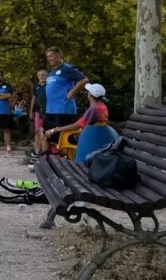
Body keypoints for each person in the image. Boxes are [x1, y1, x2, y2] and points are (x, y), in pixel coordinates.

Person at [41, 83, 110, 230]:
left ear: (90, 95)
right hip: (95, 147)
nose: (86, 94)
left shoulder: (94, 109)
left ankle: (55, 212)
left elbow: (76, 126)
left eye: (88, 93)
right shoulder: (102, 107)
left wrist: (54, 130)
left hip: (89, 149)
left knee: (68, 176)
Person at [43, 46, 88, 146]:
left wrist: (72, 93)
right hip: (51, 109)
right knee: (48, 132)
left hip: (63, 109)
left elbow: (83, 80)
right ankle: (51, 155)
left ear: (59, 55)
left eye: (51, 56)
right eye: (47, 56)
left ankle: (69, 156)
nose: (49, 58)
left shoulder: (67, 68)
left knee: (63, 135)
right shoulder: (53, 71)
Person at [29, 69, 48, 156]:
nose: (42, 76)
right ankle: (36, 149)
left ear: (47, 76)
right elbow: (34, 98)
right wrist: (31, 110)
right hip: (37, 111)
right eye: (40, 75)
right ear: (37, 76)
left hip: (47, 111)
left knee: (43, 131)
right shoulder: (36, 87)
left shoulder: (49, 86)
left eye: (43, 74)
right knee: (37, 131)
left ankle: (42, 149)